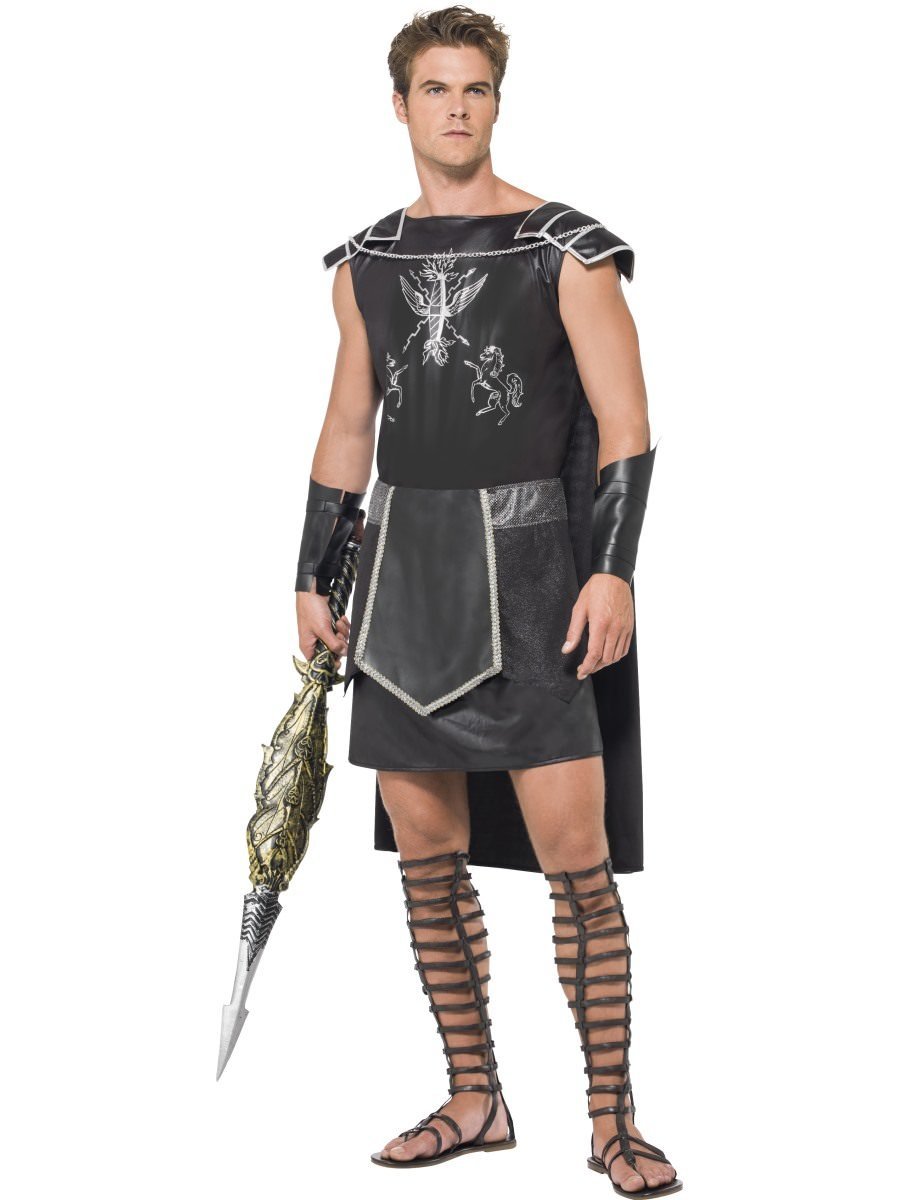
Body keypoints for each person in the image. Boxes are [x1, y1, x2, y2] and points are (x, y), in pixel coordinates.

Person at [294, 6, 681, 1194]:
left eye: (474, 88)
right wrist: (313, 573)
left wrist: (612, 567)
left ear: (497, 103)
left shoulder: (566, 249)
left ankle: (611, 1121)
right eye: (434, 88)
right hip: (404, 581)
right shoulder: (366, 264)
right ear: (400, 105)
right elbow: (350, 425)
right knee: (426, 855)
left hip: (532, 573)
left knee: (577, 858)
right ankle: (476, 1097)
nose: (455, 107)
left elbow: (625, 424)